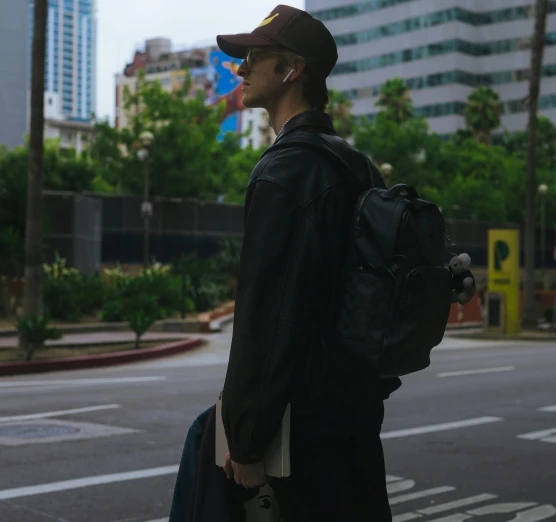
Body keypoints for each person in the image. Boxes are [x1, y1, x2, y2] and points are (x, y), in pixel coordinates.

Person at [170, 5, 400, 522]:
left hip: (297, 428)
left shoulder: (284, 171)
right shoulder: (358, 166)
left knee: (202, 445)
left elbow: (269, 317)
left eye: (254, 57)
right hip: (353, 413)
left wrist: (249, 441)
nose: (241, 68)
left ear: (291, 70)